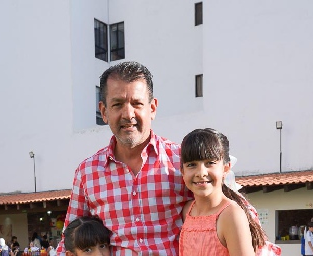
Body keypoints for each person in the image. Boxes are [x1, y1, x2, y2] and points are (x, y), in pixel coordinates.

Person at [56, 61, 192, 255]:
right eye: (118, 104)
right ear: (104, 111)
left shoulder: (183, 161)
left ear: (152, 108)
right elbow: (68, 242)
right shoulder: (87, 173)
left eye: (137, 103)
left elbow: (226, 211)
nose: (128, 115)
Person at [178, 128, 266, 255]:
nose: (201, 173)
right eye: (192, 165)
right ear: (182, 171)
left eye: (210, 163)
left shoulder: (231, 215)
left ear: (226, 168)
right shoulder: (187, 210)